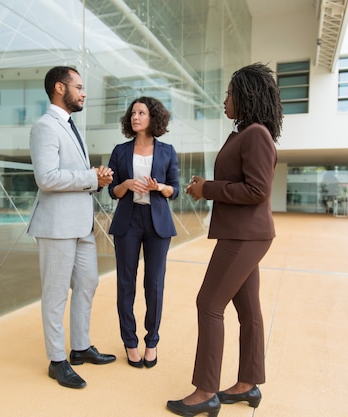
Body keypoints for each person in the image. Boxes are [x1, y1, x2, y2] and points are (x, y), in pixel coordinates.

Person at [166, 63, 282, 416]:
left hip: (245, 235)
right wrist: (207, 187)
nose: (224, 100)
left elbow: (258, 190)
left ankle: (205, 393)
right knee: (248, 309)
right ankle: (249, 383)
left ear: (246, 96)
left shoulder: (256, 134)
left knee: (209, 303)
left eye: (230, 93)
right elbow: (243, 182)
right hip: (243, 233)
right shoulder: (244, 133)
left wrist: (208, 189)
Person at [28, 66, 116, 390]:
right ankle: (57, 361)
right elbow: (47, 177)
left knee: (88, 283)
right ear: (59, 88)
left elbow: (72, 174)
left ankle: (79, 347)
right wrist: (91, 177)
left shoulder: (69, 126)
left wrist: (96, 176)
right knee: (54, 296)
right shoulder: (44, 127)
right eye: (78, 86)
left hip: (81, 225)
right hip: (56, 227)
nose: (83, 92)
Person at [107, 97, 180, 369]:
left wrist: (158, 187)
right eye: (133, 112)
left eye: (142, 112)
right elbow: (112, 190)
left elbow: (175, 189)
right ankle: (129, 340)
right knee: (126, 283)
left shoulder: (167, 151)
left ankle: (152, 341)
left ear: (153, 118)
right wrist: (125, 183)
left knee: (154, 284)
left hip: (157, 222)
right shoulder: (120, 150)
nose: (135, 116)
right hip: (128, 221)